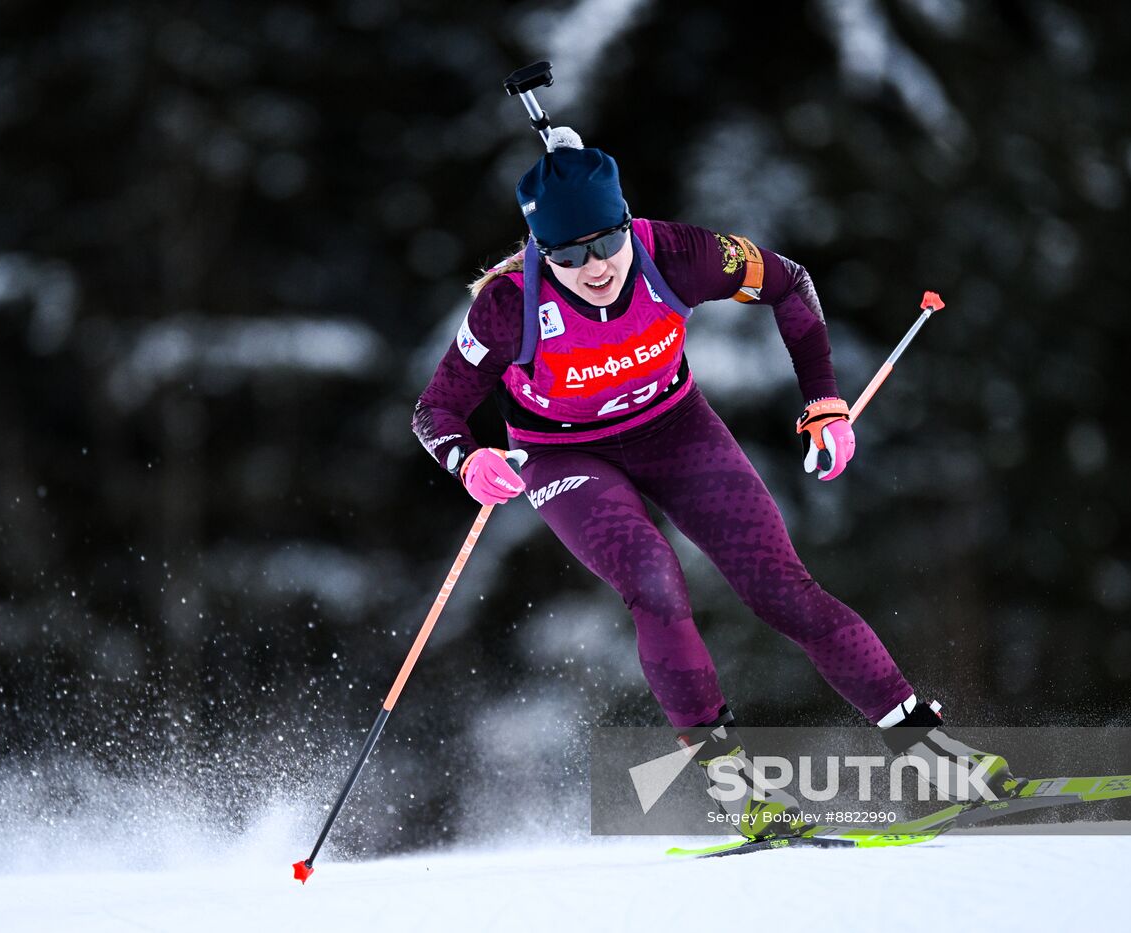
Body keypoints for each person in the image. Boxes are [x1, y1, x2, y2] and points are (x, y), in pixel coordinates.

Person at [412, 130, 1009, 838]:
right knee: (655, 584)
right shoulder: (509, 306)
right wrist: (467, 459)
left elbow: (790, 282)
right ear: (542, 249)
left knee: (783, 588)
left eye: (606, 242)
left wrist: (824, 402)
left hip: (675, 428)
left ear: (628, 221)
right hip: (563, 455)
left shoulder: (680, 254)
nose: (595, 266)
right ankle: (742, 792)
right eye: (568, 255)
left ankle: (927, 750)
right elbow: (436, 410)